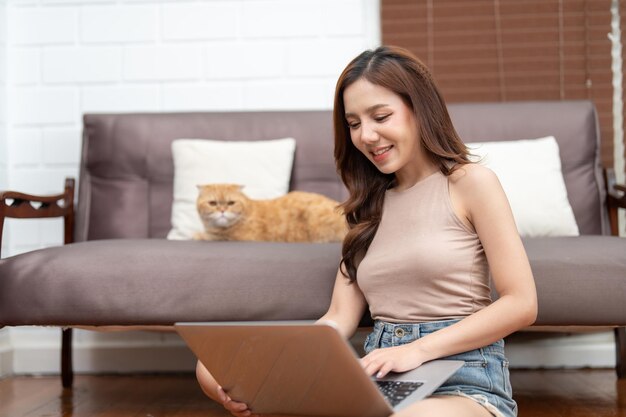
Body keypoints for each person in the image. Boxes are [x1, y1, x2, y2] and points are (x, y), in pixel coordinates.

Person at [195, 45, 538, 417]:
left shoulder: (471, 183)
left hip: (463, 378)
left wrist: (416, 349)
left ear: (420, 109)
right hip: (380, 378)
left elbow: (521, 303)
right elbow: (338, 319)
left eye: (381, 116)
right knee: (210, 369)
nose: (367, 136)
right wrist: (271, 364)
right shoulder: (366, 209)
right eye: (354, 124)